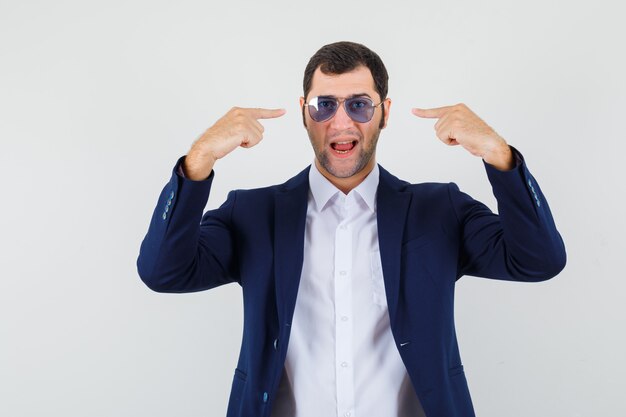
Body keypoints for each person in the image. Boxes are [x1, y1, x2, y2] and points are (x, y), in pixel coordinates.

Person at [137, 41, 566, 417]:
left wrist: (499, 155)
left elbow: (537, 260)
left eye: (359, 104)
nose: (341, 123)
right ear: (304, 113)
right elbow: (164, 272)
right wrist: (198, 162)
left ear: (384, 114)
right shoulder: (253, 213)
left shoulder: (439, 209)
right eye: (324, 105)